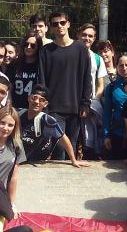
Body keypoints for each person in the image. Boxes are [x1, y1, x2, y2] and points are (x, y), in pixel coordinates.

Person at [37, 10, 92, 158]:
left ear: (68, 24)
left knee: (71, 149)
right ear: (51, 27)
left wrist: (85, 104)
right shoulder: (46, 51)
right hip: (54, 109)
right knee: (59, 149)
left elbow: (87, 78)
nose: (59, 26)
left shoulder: (81, 49)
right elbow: (42, 81)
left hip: (75, 108)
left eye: (62, 22)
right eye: (55, 24)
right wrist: (44, 106)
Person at [18, 85, 88, 166]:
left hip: (36, 160)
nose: (36, 102)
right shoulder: (18, 114)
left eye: (41, 100)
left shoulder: (47, 120)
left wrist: (74, 161)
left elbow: (64, 138)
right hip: (19, 157)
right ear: (29, 98)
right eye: (34, 98)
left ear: (45, 104)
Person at [0, 105, 27, 217]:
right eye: (2, 123)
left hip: (0, 194)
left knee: (9, 217)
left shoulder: (16, 145)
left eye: (10, 125)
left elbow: (13, 178)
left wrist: (11, 203)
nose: (5, 128)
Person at [77, 23, 108, 158]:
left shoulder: (97, 58)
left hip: (90, 106)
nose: (87, 38)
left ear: (94, 38)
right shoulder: (70, 54)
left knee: (89, 143)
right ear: (78, 35)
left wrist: (92, 103)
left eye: (90, 36)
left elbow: (101, 84)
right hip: (72, 105)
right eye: (84, 35)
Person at [102, 53, 127, 160]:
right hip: (117, 134)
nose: (124, 68)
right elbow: (107, 112)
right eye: (121, 65)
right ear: (116, 67)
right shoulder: (111, 87)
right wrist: (106, 135)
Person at [9, 34, 41, 111]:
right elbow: (9, 87)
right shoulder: (14, 64)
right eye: (26, 44)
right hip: (15, 108)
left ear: (38, 48)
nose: (28, 47)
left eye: (33, 45)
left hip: (34, 109)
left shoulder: (41, 66)